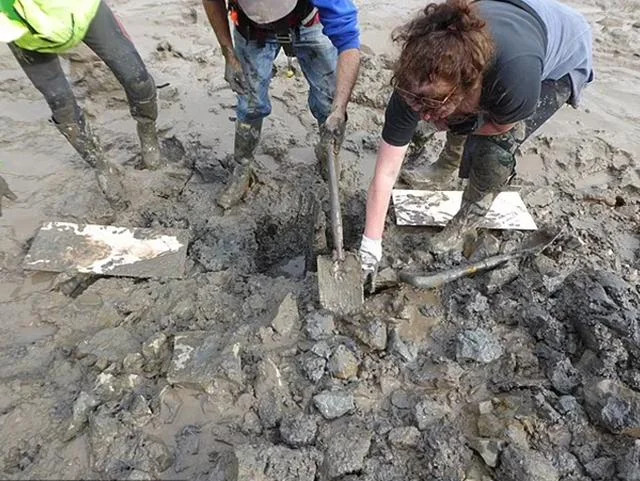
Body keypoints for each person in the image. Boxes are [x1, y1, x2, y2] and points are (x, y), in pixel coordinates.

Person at [359, 0, 593, 283]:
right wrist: (371, 243)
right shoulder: (415, 83)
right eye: (414, 100)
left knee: (493, 151)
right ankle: (446, 165)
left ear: (469, 85)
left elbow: (500, 126)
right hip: (510, 23)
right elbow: (385, 171)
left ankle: (468, 219)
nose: (421, 109)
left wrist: (460, 123)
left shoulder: (512, 80)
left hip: (564, 51)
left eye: (432, 102)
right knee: (433, 122)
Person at [0, 0, 163, 211]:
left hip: (80, 8)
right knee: (59, 101)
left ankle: (148, 132)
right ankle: (101, 165)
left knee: (135, 76)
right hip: (22, 30)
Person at [202, 0, 361, 208]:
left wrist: (339, 109)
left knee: (329, 101)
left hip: (308, 22)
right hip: (251, 29)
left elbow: (349, 42)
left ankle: (328, 151)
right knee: (250, 103)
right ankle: (242, 168)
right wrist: (228, 53)